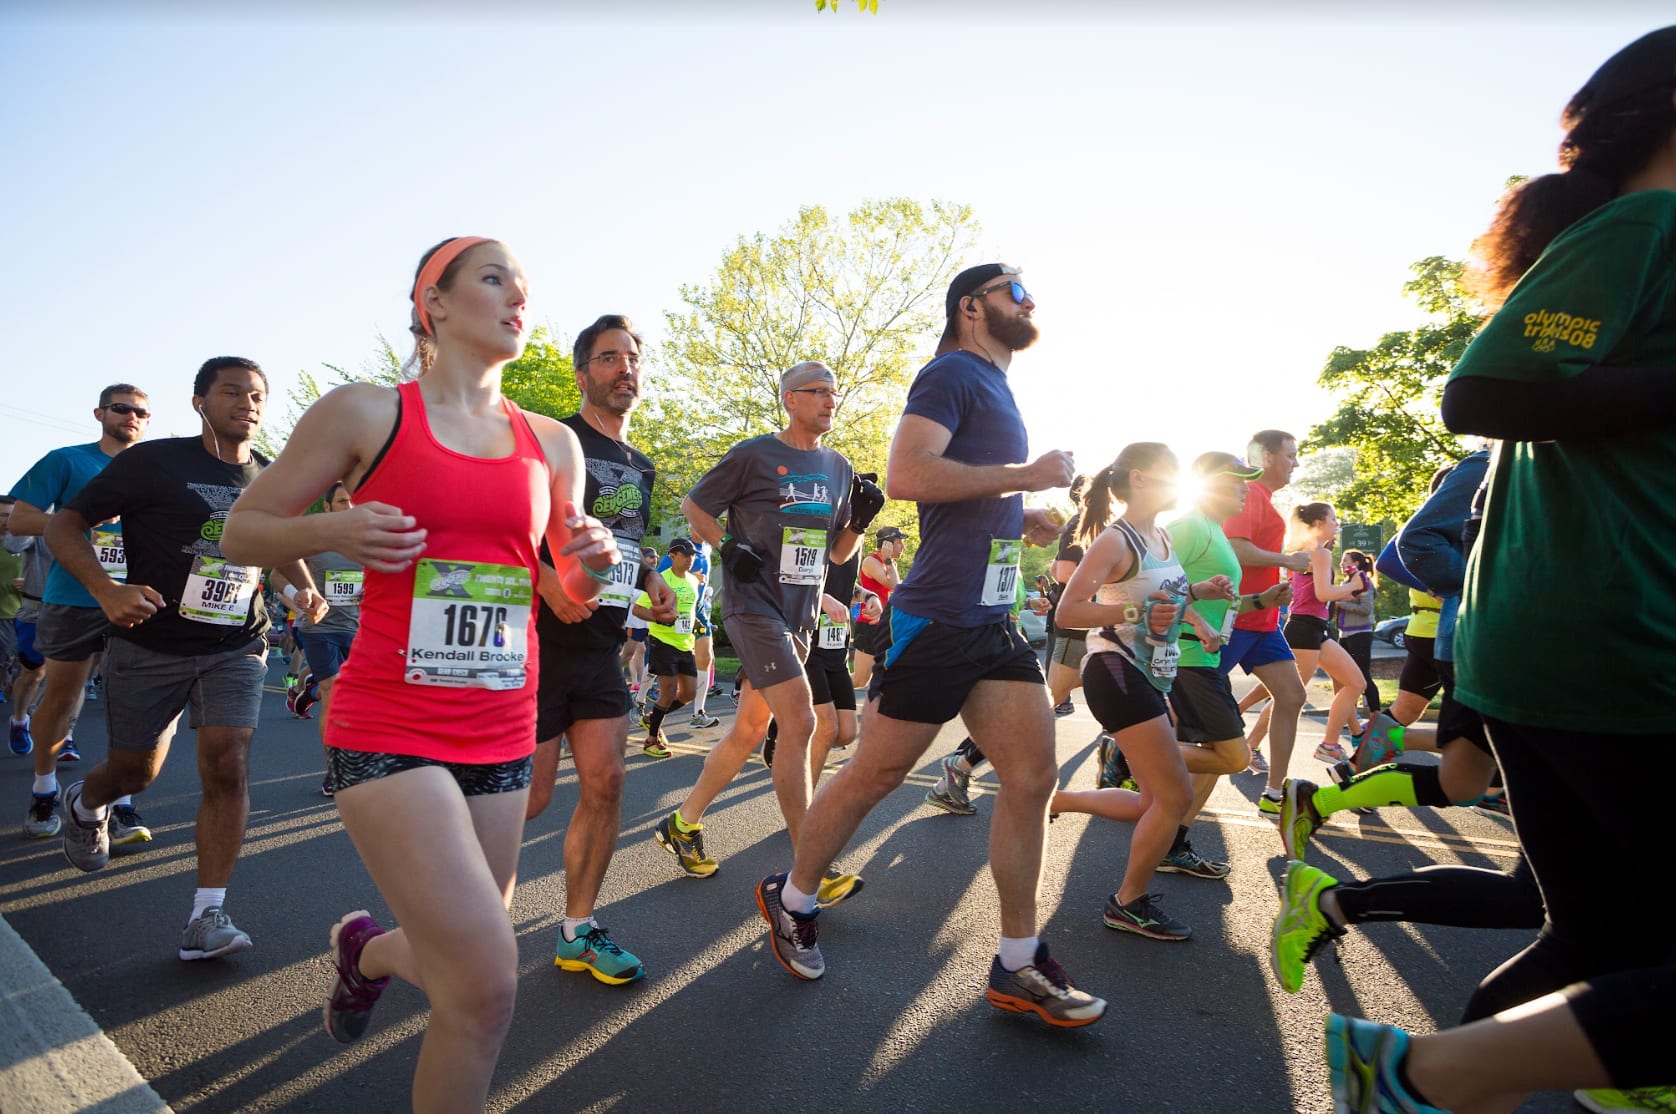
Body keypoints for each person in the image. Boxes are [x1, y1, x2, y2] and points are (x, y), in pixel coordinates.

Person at [1316, 30, 1676, 1113]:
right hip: (1614, 645)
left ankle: (1420, 1091)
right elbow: (1478, 394)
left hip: (1557, 646)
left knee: (1596, 935)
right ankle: (1418, 1071)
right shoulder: (1648, 224)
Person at [219, 237, 617, 1110]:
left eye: (524, 285)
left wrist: (593, 554)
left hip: (503, 725)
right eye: (493, 278)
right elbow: (241, 532)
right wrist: (331, 532)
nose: (518, 295)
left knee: (456, 971)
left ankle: (366, 953)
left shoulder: (552, 444)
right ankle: (372, 956)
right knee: (485, 987)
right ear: (432, 302)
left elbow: (568, 590)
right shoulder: (367, 413)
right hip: (388, 719)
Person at [755, 263, 1105, 1028]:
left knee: (1032, 774)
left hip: (991, 619)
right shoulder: (950, 372)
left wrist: (1021, 515)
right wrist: (1026, 472)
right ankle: (791, 897)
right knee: (873, 775)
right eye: (1017, 290)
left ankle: (1018, 962)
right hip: (939, 618)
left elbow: (967, 494)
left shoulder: (994, 384)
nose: (1032, 300)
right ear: (973, 307)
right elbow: (910, 475)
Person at [50, 358, 302, 963]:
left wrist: (303, 586)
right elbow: (65, 526)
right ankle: (85, 802)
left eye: (258, 395)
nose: (248, 403)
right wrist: (108, 592)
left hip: (236, 644)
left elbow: (277, 541)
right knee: (135, 774)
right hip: (149, 643)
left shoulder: (268, 477)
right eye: (233, 392)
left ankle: (205, 916)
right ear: (199, 401)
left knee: (229, 762)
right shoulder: (153, 461)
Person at [653, 360, 877, 902]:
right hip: (754, 608)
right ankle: (810, 867)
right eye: (817, 392)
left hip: (799, 615)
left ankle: (681, 825)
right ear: (790, 399)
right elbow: (694, 508)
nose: (829, 401)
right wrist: (727, 546)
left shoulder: (838, 466)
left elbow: (839, 552)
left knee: (751, 729)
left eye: (834, 393)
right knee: (798, 721)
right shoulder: (754, 454)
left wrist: (860, 521)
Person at [522, 314, 675, 988]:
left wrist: (651, 585)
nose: (625, 369)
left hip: (600, 648)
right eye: (609, 358)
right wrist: (548, 580)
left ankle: (577, 932)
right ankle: (445, 917)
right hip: (534, 644)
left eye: (632, 358)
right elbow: (513, 525)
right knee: (524, 799)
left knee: (608, 783)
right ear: (583, 373)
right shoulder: (555, 440)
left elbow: (626, 542)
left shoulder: (641, 465)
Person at [1049, 444, 1234, 940]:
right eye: (1170, 471)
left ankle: (1059, 799)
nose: (1179, 479)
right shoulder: (1115, 540)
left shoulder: (1164, 537)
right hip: (1115, 671)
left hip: (1154, 674)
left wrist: (1199, 593)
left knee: (1152, 800)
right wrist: (1133, 614)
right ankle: (1127, 902)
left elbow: (1163, 596)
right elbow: (1068, 613)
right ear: (1140, 477)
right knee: (1174, 796)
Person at [11, 384, 152, 843]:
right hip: (73, 596)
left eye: (140, 412)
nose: (131, 417)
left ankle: (122, 801)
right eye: (121, 409)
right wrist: (76, 524)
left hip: (135, 600)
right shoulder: (68, 460)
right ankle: (44, 790)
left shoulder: (154, 469)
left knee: (129, 702)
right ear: (99, 413)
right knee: (62, 698)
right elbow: (16, 517)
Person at [1217, 430, 1308, 813]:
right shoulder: (1249, 493)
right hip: (1235, 617)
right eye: (1291, 455)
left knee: (1292, 695)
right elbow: (1235, 548)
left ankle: (1274, 794)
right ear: (1267, 457)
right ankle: (1126, 754)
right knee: (1188, 705)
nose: (1296, 463)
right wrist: (1287, 561)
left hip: (1264, 621)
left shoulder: (1265, 499)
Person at [1248, 503, 1367, 766]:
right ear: (1317, 523)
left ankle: (1329, 743)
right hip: (1304, 630)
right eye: (1333, 518)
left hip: (1315, 629)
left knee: (1355, 683)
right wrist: (1354, 586)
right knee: (1287, 696)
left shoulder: (1305, 553)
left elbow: (1318, 594)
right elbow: (1324, 594)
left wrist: (1349, 589)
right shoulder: (1318, 554)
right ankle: (1251, 745)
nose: (1337, 523)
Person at [270, 481, 362, 794]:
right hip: (320, 630)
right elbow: (276, 574)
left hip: (361, 630)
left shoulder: (370, 543)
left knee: (358, 703)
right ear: (327, 507)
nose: (349, 508)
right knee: (334, 695)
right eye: (342, 502)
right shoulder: (314, 539)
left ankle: (307, 689)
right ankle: (335, 771)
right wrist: (299, 596)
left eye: (354, 501)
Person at [636, 537, 701, 757]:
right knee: (668, 691)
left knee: (689, 693)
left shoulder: (693, 581)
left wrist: (698, 623)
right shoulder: (661, 580)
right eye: (686, 554)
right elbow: (638, 609)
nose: (690, 559)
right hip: (662, 642)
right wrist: (660, 619)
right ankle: (651, 740)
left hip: (685, 643)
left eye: (692, 555)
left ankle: (652, 718)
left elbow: (689, 610)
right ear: (672, 556)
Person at [850, 525, 904, 690]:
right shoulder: (871, 561)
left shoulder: (889, 564)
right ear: (887, 543)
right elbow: (893, 584)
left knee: (888, 677)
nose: (902, 546)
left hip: (885, 625)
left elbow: (896, 589)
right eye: (899, 542)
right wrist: (888, 560)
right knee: (859, 680)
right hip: (869, 625)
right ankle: (820, 690)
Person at [1334, 549, 1379, 717]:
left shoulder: (1364, 582)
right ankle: (1350, 715)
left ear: (1356, 564)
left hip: (1360, 634)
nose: (1341, 563)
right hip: (1344, 634)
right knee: (1344, 677)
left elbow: (1366, 609)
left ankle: (1376, 715)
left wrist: (1341, 604)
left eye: (1345, 560)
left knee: (1362, 676)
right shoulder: (1347, 581)